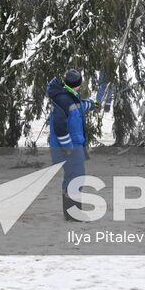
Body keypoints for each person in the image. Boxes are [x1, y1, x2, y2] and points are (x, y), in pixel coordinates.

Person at [47, 68, 93, 221]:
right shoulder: (64, 100)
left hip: (73, 145)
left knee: (73, 177)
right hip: (69, 147)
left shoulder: (69, 96)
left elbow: (79, 106)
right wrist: (67, 147)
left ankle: (71, 214)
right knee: (76, 178)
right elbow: (60, 127)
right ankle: (74, 214)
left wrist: (93, 104)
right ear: (76, 85)